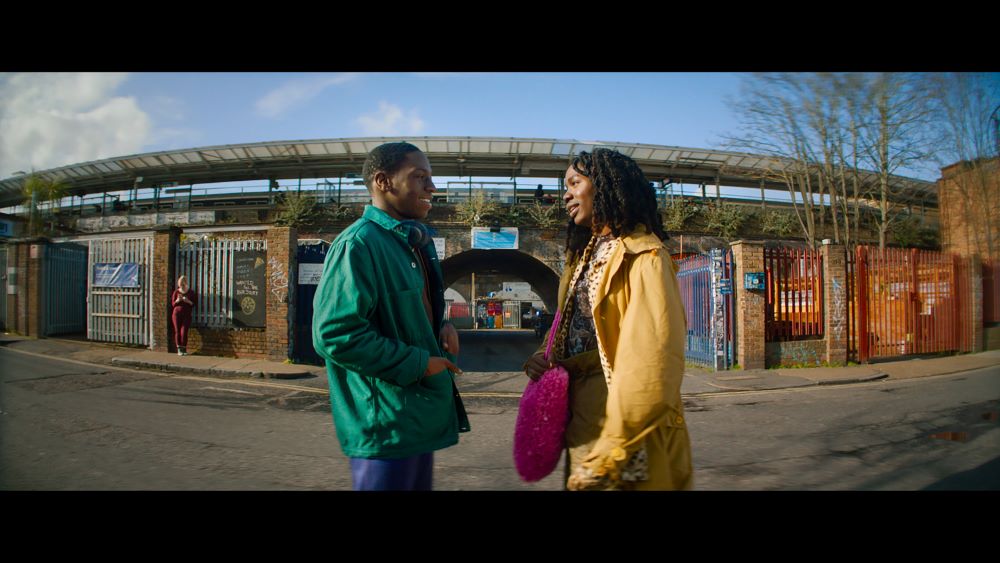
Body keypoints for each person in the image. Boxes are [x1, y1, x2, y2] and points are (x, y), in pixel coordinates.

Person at [522, 148, 692, 491]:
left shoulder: (645, 256)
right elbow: (567, 321)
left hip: (622, 425)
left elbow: (651, 363)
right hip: (581, 415)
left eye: (574, 182)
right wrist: (545, 353)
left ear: (604, 186)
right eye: (563, 186)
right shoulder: (582, 255)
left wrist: (613, 448)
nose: (565, 194)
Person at [312, 142, 470, 491]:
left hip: (413, 423)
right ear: (383, 182)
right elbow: (336, 336)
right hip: (384, 428)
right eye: (420, 177)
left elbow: (408, 314)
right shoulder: (359, 245)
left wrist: (440, 327)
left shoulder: (413, 242)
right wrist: (419, 362)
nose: (432, 187)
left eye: (431, 178)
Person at [171, 275, 196, 356]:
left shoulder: (190, 292)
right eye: (180, 284)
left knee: (184, 331)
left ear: (185, 283)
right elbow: (173, 304)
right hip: (176, 314)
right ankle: (179, 349)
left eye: (183, 284)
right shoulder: (176, 292)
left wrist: (187, 301)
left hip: (187, 314)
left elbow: (193, 304)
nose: (181, 285)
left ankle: (184, 348)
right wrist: (178, 300)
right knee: (177, 331)